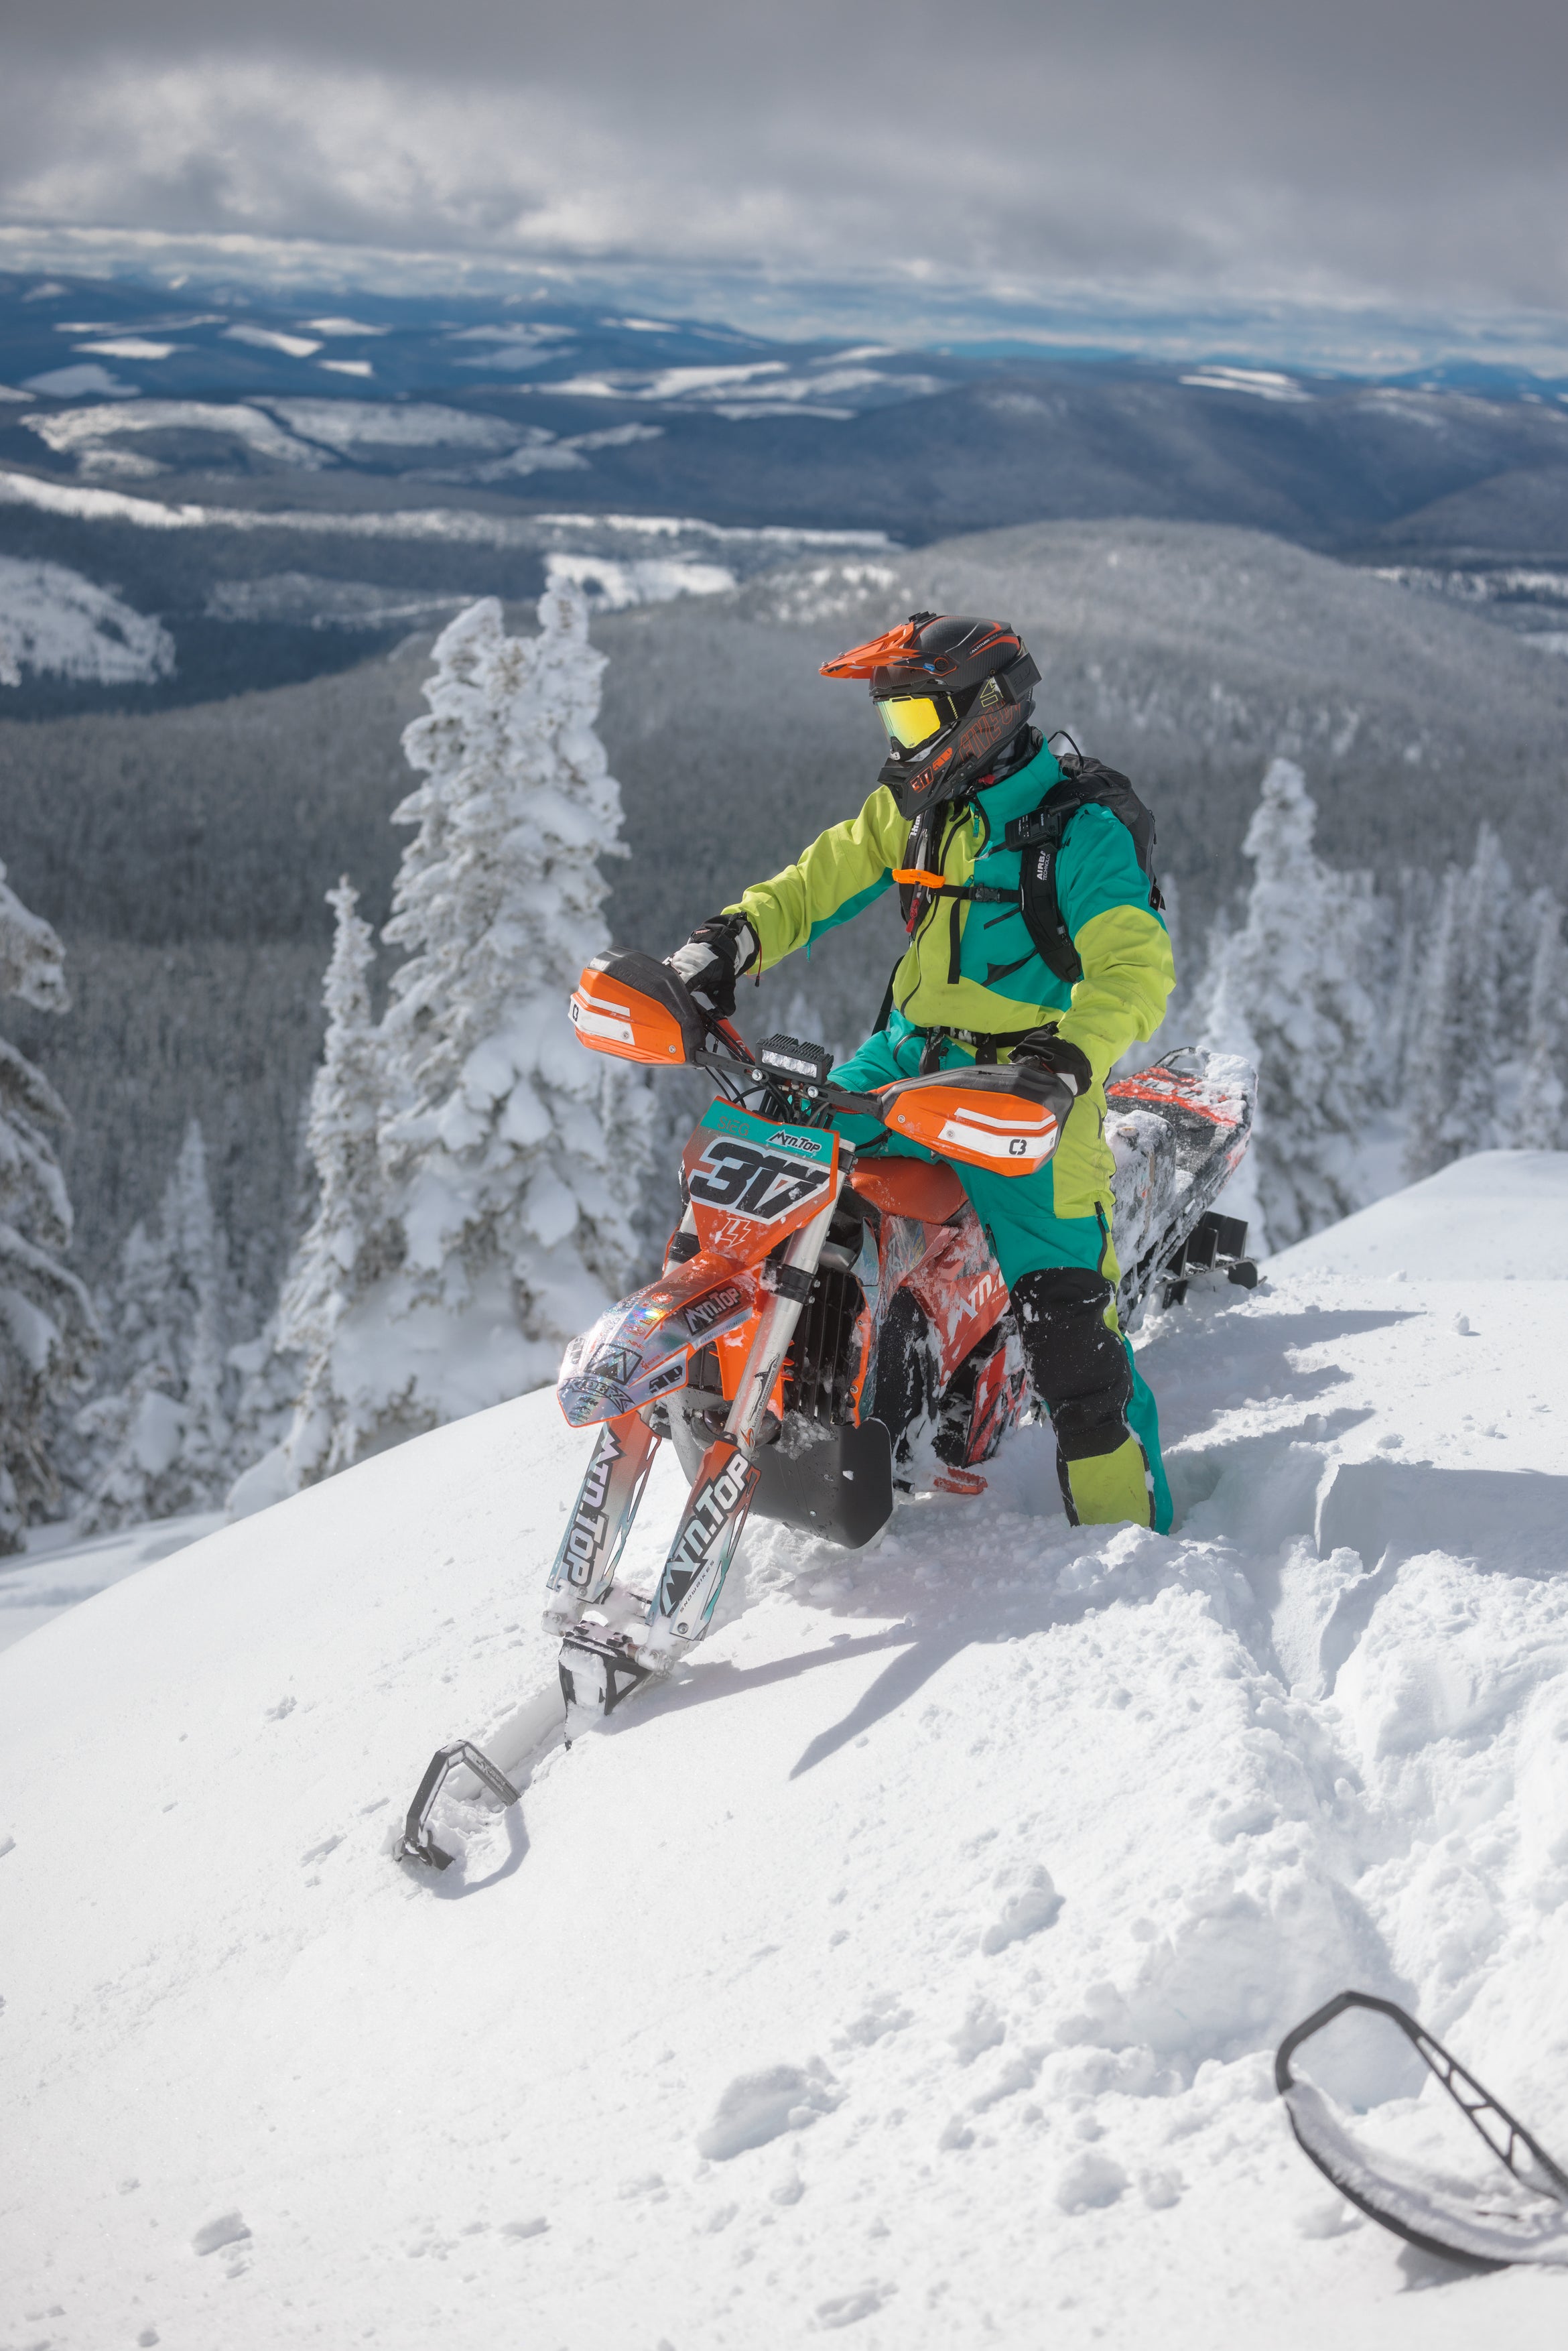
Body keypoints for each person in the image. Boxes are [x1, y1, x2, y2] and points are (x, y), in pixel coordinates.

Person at [667, 611, 1175, 1532]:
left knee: (1074, 1338)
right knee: (756, 1193)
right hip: (901, 1064)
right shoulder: (919, 806)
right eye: (891, 725)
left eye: (911, 723)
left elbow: (1135, 968)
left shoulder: (1082, 828)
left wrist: (1065, 1062)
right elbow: (817, 879)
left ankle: (1136, 1542)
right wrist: (730, 940)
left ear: (981, 714)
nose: (900, 749)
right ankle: (767, 1405)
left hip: (1021, 1095)